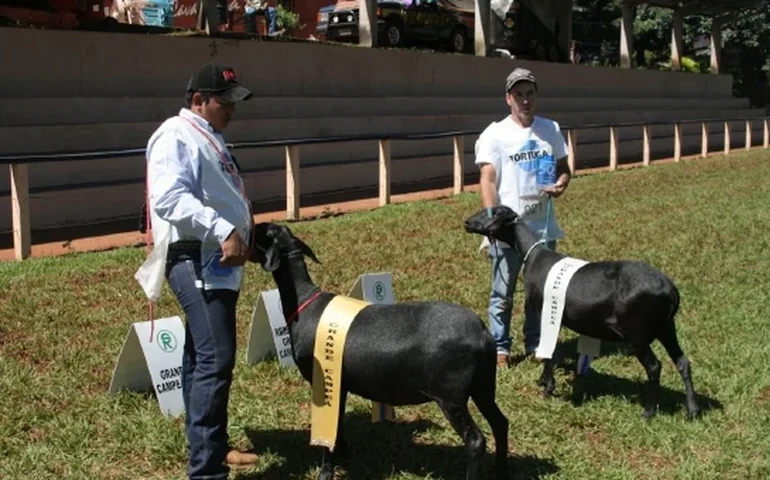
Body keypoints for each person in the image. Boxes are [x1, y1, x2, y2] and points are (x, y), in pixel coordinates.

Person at [136, 63, 257, 479]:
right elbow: (169, 198)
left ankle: (211, 446)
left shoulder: (208, 136)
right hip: (194, 257)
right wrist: (224, 229)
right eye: (225, 101)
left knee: (200, 355)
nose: (231, 109)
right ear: (199, 100)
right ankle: (205, 470)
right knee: (216, 357)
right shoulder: (175, 134)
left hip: (212, 259)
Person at [474, 67, 572, 368]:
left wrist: (562, 183)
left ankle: (536, 343)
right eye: (518, 95)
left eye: (529, 93)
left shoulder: (550, 129)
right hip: (509, 230)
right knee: (502, 292)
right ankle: (500, 348)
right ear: (508, 98)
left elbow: (563, 166)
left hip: (543, 228)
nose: (525, 100)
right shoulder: (495, 134)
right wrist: (492, 220)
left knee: (540, 290)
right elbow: (487, 179)